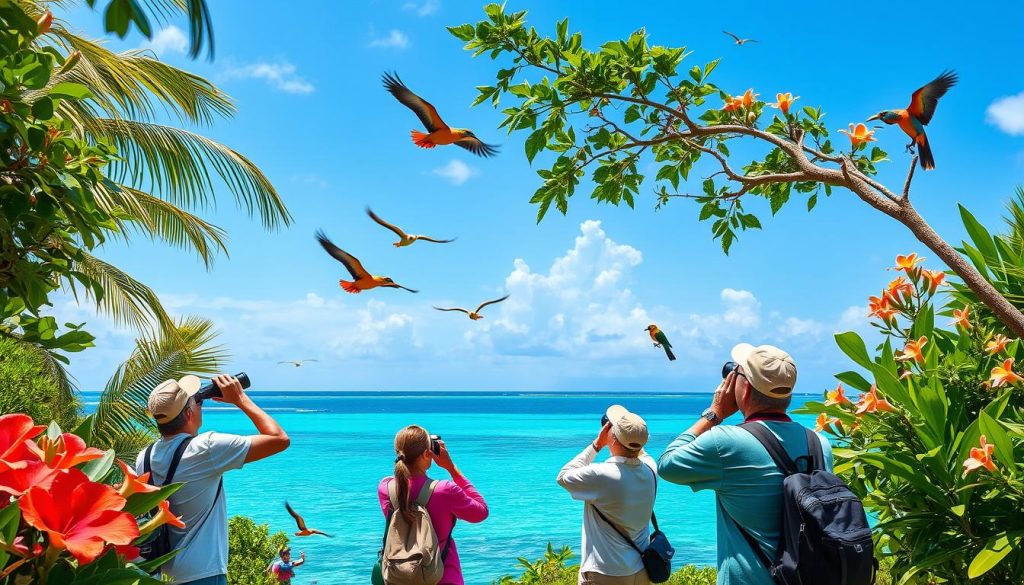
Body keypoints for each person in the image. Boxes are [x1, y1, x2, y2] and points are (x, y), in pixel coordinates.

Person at [657, 343, 834, 585]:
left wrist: (713, 414)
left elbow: (667, 464)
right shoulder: (820, 443)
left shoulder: (725, 442)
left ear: (745, 388)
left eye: (736, 373)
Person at [137, 374, 291, 585]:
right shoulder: (205, 448)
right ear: (190, 412)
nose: (201, 405)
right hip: (204, 572)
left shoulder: (144, 457)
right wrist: (240, 399)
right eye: (198, 401)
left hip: (164, 573)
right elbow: (279, 439)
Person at [557, 405, 656, 585]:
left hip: (606, 571)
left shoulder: (601, 475)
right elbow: (638, 450)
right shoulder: (651, 470)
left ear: (612, 437)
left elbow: (563, 476)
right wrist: (631, 434)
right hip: (641, 569)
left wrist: (597, 444)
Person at [377, 426, 489, 585]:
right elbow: (481, 512)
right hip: (444, 579)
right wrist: (451, 468)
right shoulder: (445, 490)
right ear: (426, 454)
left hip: (399, 577)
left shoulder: (386, 488)